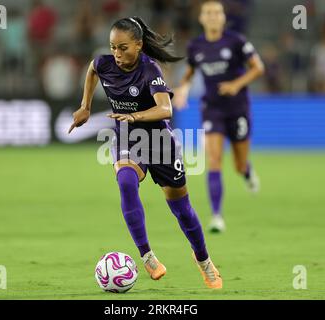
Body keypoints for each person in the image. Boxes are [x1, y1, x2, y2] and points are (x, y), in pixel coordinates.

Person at [68, 17, 223, 289]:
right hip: (128, 137)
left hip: (159, 141)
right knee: (126, 182)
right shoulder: (105, 63)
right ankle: (147, 255)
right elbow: (93, 69)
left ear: (139, 45)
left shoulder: (150, 70)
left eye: (123, 47)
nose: (117, 54)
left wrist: (134, 115)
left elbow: (166, 109)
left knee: (182, 209)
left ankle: (204, 260)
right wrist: (85, 106)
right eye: (113, 47)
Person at [173, 0, 265, 233]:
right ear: (201, 18)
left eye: (217, 13)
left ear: (223, 18)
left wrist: (236, 84)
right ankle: (216, 216)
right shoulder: (196, 46)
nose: (213, 16)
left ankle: (246, 171)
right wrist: (182, 89)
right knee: (214, 160)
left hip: (238, 109)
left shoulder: (236, 42)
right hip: (212, 108)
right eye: (208, 13)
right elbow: (190, 72)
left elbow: (258, 67)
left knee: (238, 163)